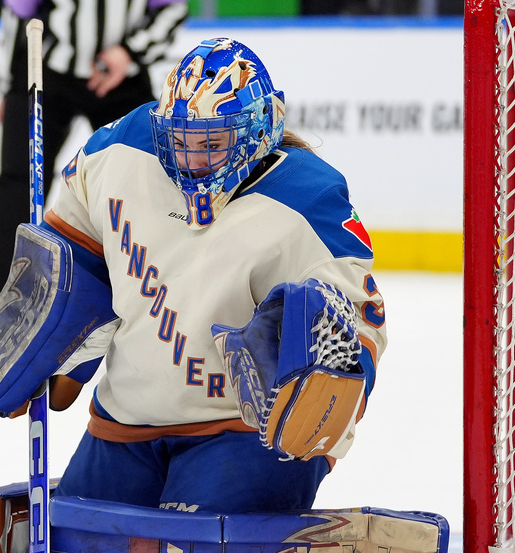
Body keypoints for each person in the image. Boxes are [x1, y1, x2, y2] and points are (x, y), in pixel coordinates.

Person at [32, 37, 389, 515]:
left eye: (212, 143)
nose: (193, 160)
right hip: (126, 418)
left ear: (258, 128)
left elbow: (360, 322)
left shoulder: (309, 197)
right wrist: (53, 341)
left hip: (244, 434)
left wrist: (333, 388)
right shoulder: (119, 150)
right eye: (180, 142)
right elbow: (78, 251)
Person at [0, 0, 189, 337]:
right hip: (49, 71)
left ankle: (165, 306)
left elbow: (172, 8)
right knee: (16, 185)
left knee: (154, 185)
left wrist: (130, 52)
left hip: (122, 79)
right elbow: (20, 11)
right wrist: (11, 83)